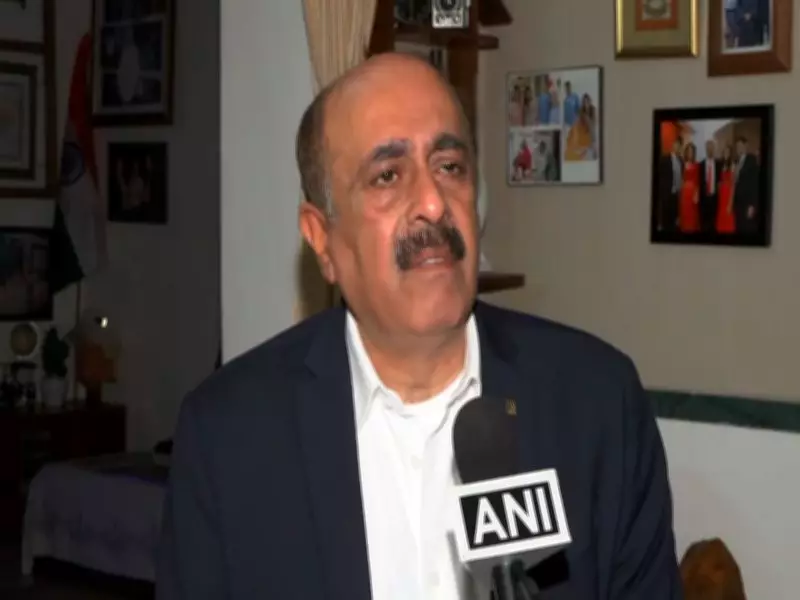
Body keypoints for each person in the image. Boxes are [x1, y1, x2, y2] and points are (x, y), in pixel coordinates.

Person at [156, 53, 681, 600]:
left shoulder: (598, 403)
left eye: (449, 166)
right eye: (387, 175)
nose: (433, 202)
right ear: (321, 238)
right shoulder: (228, 436)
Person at [679, 142, 700, 233]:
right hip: (684, 193)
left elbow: (698, 181)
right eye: (689, 151)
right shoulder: (682, 164)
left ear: (694, 153)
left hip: (693, 193)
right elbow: (681, 179)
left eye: (692, 151)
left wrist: (696, 194)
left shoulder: (697, 165)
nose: (690, 153)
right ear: (686, 152)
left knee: (692, 214)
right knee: (684, 212)